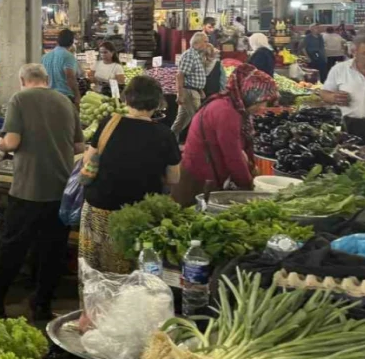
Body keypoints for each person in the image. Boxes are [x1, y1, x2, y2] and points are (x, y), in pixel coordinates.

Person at [0, 63, 82, 320]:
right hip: (59, 190)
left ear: (22, 80)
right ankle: (41, 305)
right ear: (47, 79)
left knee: (13, 247)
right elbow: (78, 146)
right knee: (52, 251)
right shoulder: (66, 102)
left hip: (28, 188)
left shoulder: (19, 99)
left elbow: (13, 141)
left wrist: (2, 144)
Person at [79, 77, 180, 276]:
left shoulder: (109, 124)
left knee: (96, 273)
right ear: (157, 103)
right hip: (139, 215)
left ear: (127, 98)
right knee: (133, 275)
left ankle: (95, 307)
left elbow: (87, 160)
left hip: (100, 210)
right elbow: (174, 178)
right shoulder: (164, 135)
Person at [170, 64, 278, 205]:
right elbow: (233, 156)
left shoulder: (231, 105)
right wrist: (249, 187)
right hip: (198, 180)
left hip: (205, 173)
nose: (263, 107)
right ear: (249, 93)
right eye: (262, 101)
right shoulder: (226, 112)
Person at [319, 33, 365, 140]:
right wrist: (333, 97)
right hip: (349, 126)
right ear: (354, 52)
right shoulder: (339, 69)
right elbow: (324, 93)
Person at [172, 32, 210, 139]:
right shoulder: (189, 55)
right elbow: (180, 75)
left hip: (193, 91)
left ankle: (170, 140)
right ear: (196, 43)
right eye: (205, 42)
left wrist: (200, 90)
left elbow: (194, 75)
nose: (207, 44)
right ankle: (200, 146)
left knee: (181, 121)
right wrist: (180, 94)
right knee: (199, 121)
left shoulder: (196, 55)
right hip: (189, 93)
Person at [42, 28, 81, 103]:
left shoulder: (45, 57)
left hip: (48, 96)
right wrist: (77, 95)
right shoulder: (68, 56)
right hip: (64, 97)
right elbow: (70, 77)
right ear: (71, 42)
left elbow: (43, 78)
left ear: (58, 41)